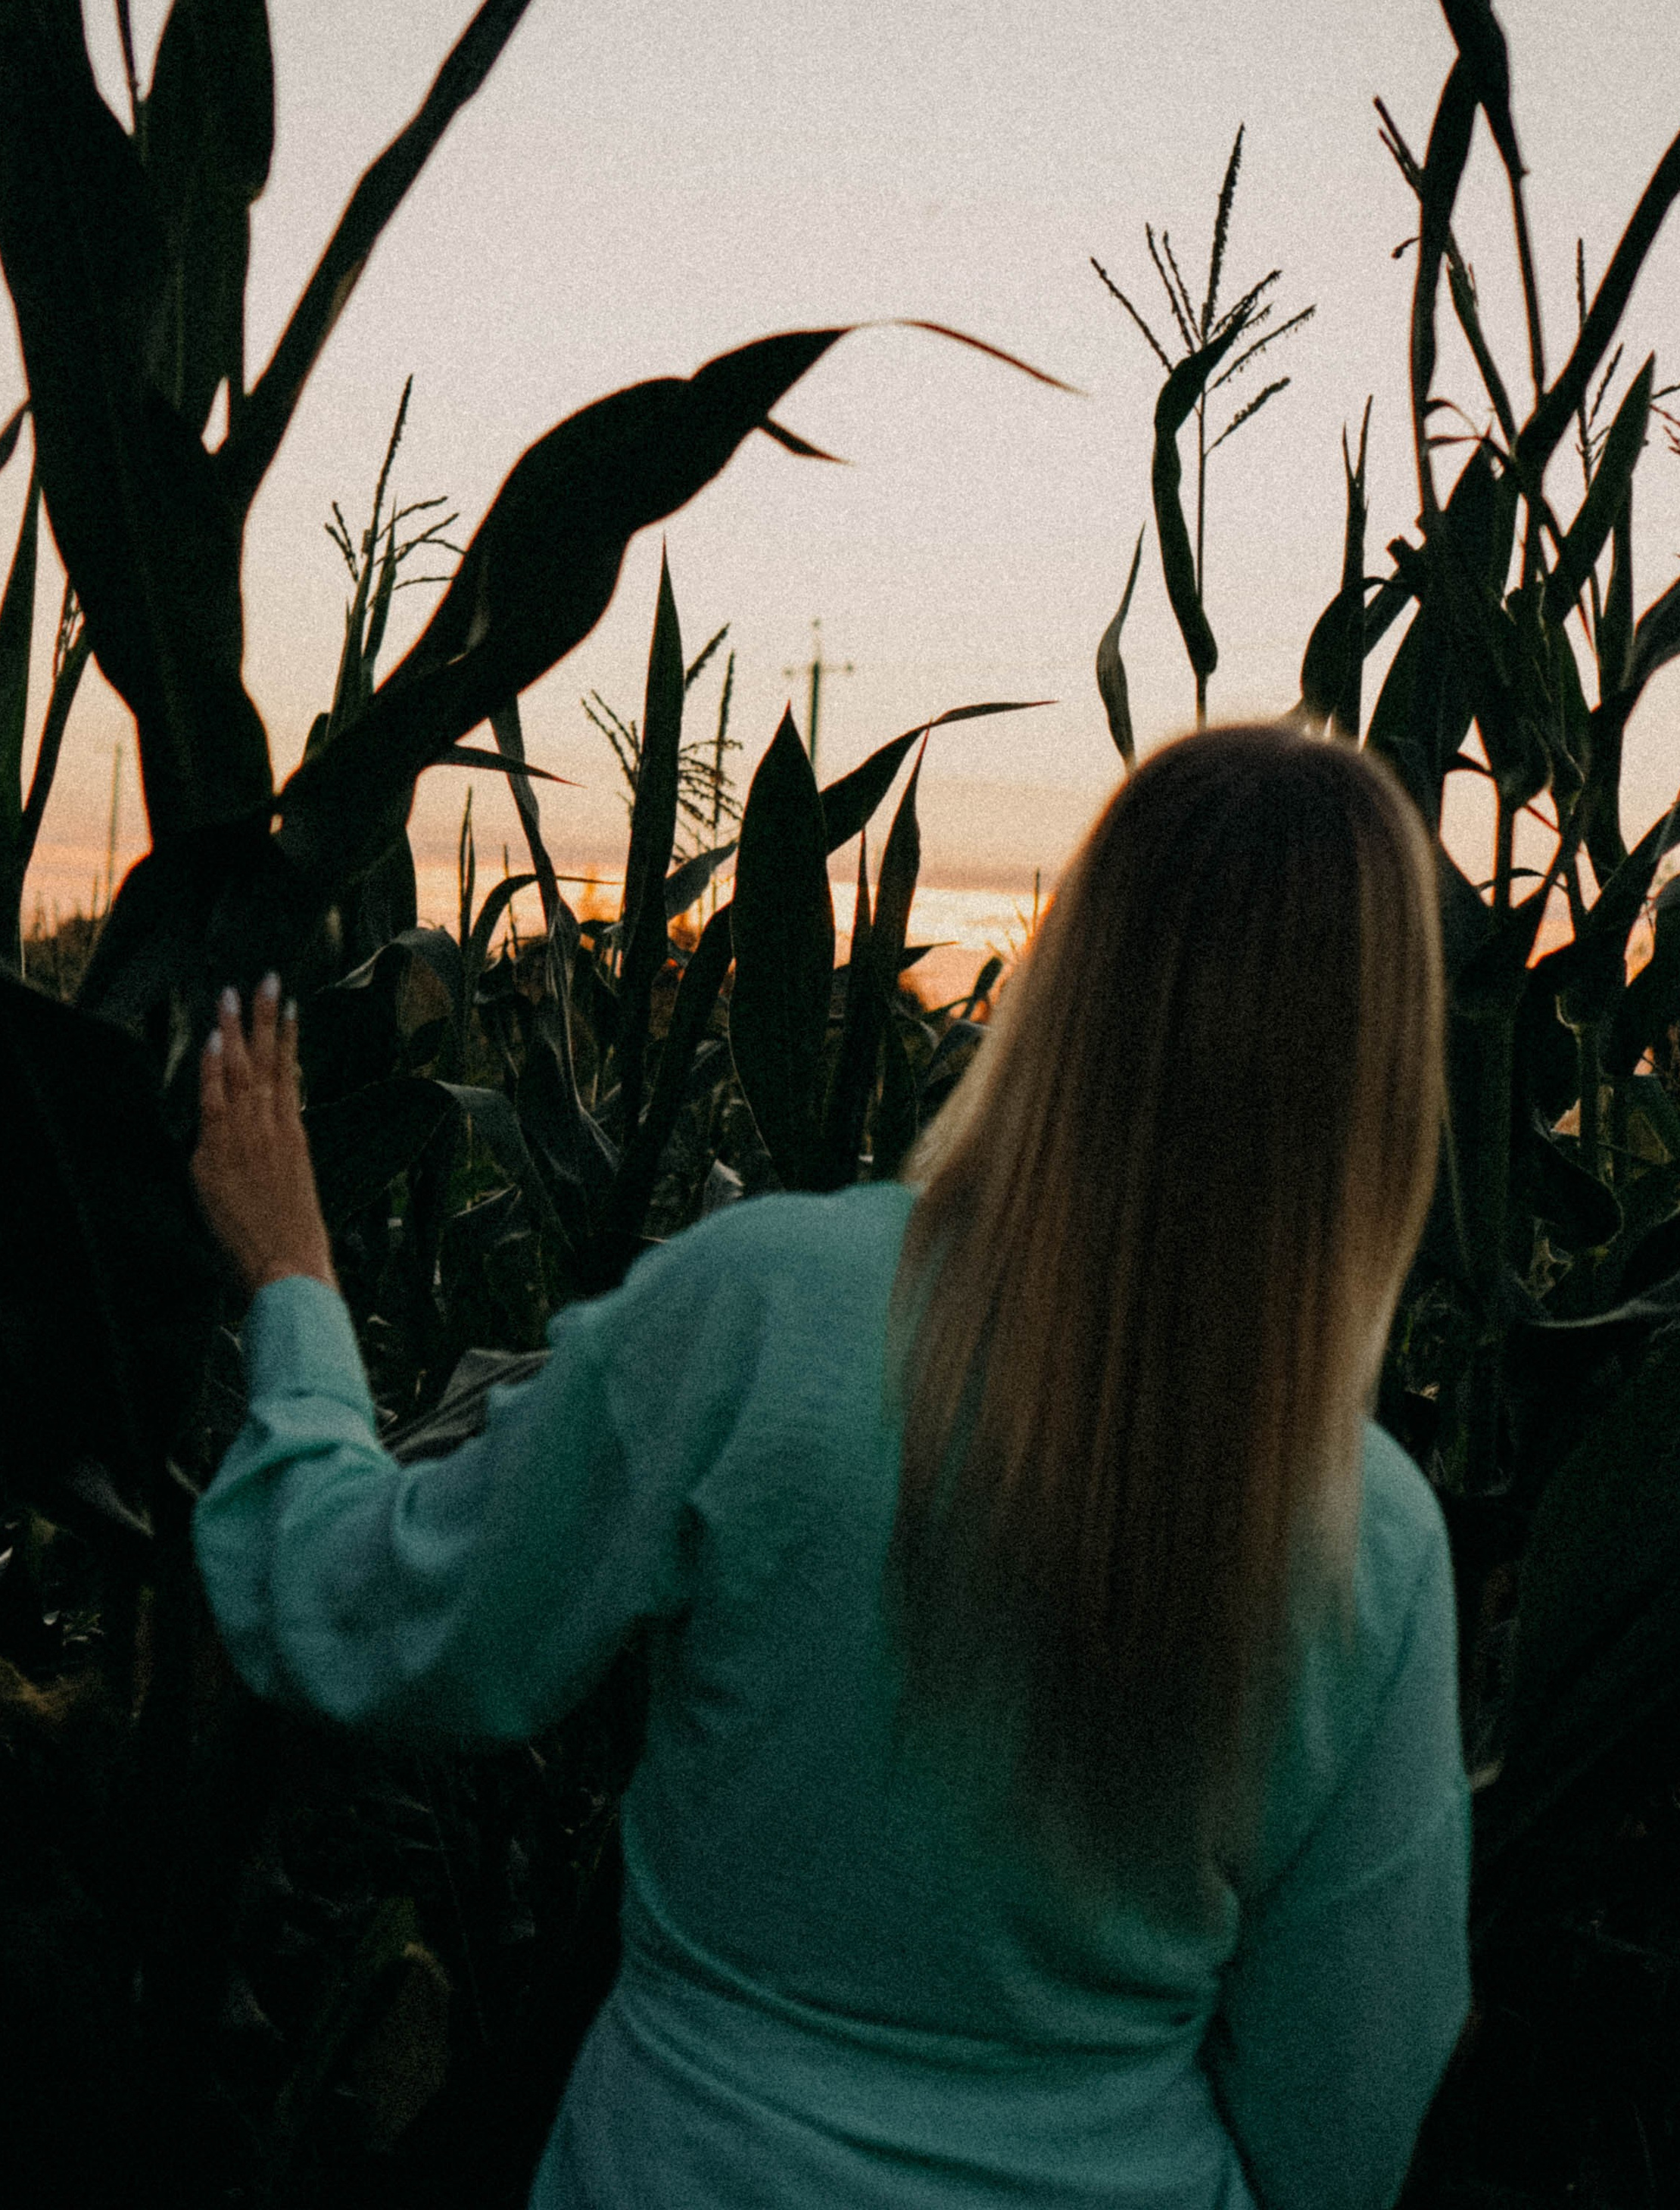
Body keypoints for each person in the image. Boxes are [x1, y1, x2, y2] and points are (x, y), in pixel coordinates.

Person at [192, 719, 1470, 2209]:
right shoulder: (1369, 1538)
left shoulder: (761, 1314)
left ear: (1065, 983)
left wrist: (289, 1279)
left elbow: (370, 1616)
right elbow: (1350, 2104)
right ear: (1376, 1085)